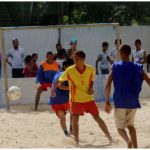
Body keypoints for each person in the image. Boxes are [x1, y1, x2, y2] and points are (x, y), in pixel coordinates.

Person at [57, 50, 112, 145]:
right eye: (74, 59)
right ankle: (77, 141)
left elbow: (91, 81)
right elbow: (59, 83)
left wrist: (91, 88)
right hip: (75, 100)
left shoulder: (90, 69)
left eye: (77, 59)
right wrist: (68, 87)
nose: (75, 61)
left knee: (97, 117)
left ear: (83, 59)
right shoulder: (69, 70)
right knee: (75, 119)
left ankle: (110, 138)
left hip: (88, 99)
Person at [105, 44, 150, 148]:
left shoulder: (115, 66)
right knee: (131, 126)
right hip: (133, 101)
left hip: (120, 101)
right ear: (130, 53)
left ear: (120, 54)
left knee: (120, 128)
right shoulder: (138, 66)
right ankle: (136, 147)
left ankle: (128, 141)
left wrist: (107, 101)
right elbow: (148, 80)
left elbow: (108, 84)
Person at [49, 59, 74, 136]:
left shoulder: (66, 72)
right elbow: (60, 86)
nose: (72, 68)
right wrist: (71, 88)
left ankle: (71, 129)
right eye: (70, 67)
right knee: (62, 118)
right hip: (56, 101)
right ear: (65, 66)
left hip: (65, 99)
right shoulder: (61, 74)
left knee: (73, 113)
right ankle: (66, 133)